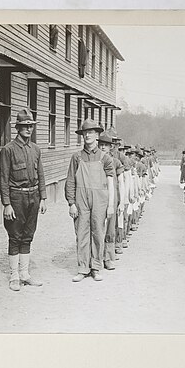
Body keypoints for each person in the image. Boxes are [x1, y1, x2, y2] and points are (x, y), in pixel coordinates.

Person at [0, 108, 47, 291]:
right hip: (16, 197)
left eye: (31, 126)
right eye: (25, 126)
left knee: (28, 236)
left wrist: (43, 197)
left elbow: (40, 174)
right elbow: (3, 178)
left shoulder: (35, 149)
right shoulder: (8, 150)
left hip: (33, 196)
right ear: (17, 127)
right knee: (15, 236)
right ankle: (14, 276)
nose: (28, 129)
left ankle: (25, 274)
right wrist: (7, 204)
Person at [66, 119, 115, 282]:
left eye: (91, 132)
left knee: (98, 232)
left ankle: (95, 267)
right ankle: (82, 268)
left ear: (97, 135)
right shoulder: (77, 157)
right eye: (85, 132)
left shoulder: (105, 158)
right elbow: (70, 181)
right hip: (81, 200)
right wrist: (71, 203)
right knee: (81, 233)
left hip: (100, 200)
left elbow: (111, 182)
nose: (88, 135)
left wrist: (110, 205)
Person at [100, 129, 124, 269]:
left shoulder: (115, 162)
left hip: (112, 198)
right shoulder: (95, 161)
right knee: (96, 228)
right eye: (101, 144)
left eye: (106, 145)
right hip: (98, 198)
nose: (103, 147)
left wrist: (122, 201)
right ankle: (96, 257)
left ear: (111, 147)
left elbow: (120, 182)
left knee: (110, 228)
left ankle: (108, 257)